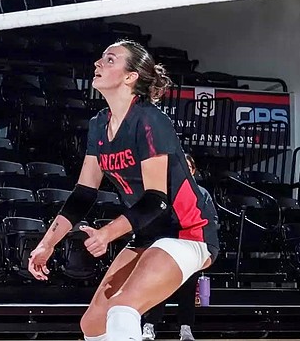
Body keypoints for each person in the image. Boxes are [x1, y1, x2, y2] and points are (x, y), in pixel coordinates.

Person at [28, 40, 220, 341]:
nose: (98, 64)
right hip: (147, 236)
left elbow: (157, 201)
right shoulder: (98, 124)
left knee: (122, 309)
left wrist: (107, 233)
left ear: (130, 76)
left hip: (186, 233)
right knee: (93, 324)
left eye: (110, 59)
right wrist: (47, 244)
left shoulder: (151, 120)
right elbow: (83, 194)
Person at [141, 154, 216, 341]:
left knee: (188, 289)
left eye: (189, 167)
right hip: (167, 244)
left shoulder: (202, 193)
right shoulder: (165, 191)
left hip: (191, 245)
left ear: (193, 170)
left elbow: (211, 220)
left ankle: (185, 328)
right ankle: (149, 326)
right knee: (158, 287)